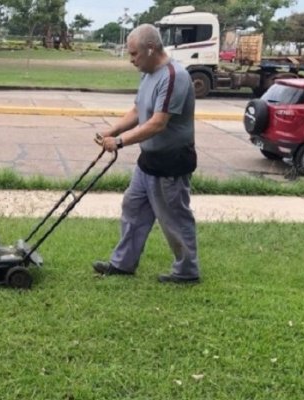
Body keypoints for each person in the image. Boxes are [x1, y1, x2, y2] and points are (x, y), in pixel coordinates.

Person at [93, 24, 200, 284]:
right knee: (133, 208)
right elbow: (138, 111)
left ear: (151, 49)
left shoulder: (174, 76)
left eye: (134, 54)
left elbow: (157, 123)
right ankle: (122, 264)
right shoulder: (148, 72)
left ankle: (187, 271)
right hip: (148, 161)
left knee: (174, 218)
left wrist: (118, 142)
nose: (131, 60)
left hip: (171, 163)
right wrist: (113, 130)